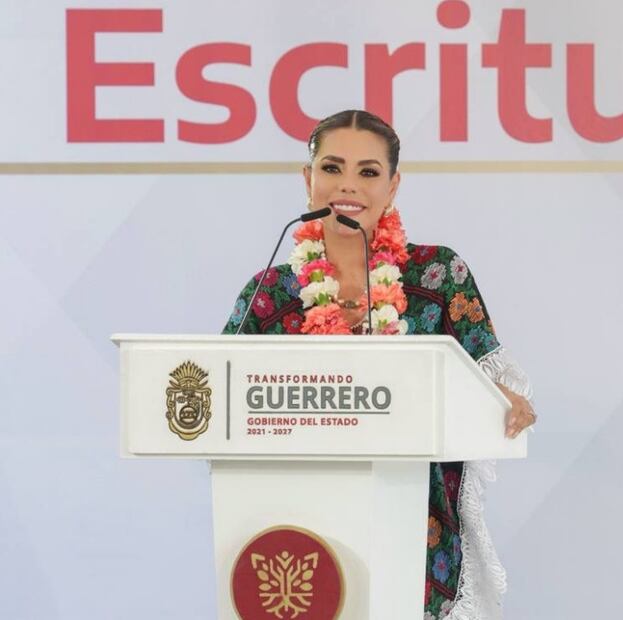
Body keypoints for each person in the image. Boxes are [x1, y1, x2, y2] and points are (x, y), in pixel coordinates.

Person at [221, 109, 535, 620]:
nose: (348, 185)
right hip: (296, 540)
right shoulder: (269, 292)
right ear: (308, 179)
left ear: (393, 186)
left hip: (414, 537)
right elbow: (221, 398)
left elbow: (491, 382)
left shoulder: (438, 276)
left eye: (368, 172)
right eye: (331, 168)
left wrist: (507, 399)